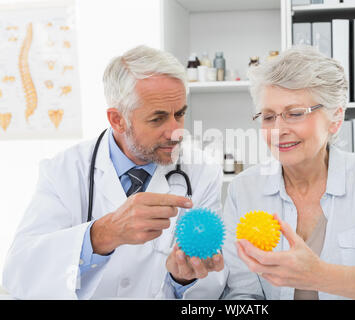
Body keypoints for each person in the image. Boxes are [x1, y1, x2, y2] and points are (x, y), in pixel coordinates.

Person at [2, 45, 227, 299]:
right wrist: (102, 234)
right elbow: (19, 272)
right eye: (158, 119)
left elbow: (211, 286)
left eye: (180, 114)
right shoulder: (63, 170)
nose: (175, 131)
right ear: (117, 120)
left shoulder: (202, 172)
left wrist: (182, 278)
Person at [220, 46, 355, 300]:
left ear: (335, 118)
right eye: (269, 117)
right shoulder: (244, 190)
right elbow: (241, 294)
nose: (278, 130)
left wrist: (320, 275)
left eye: (295, 114)